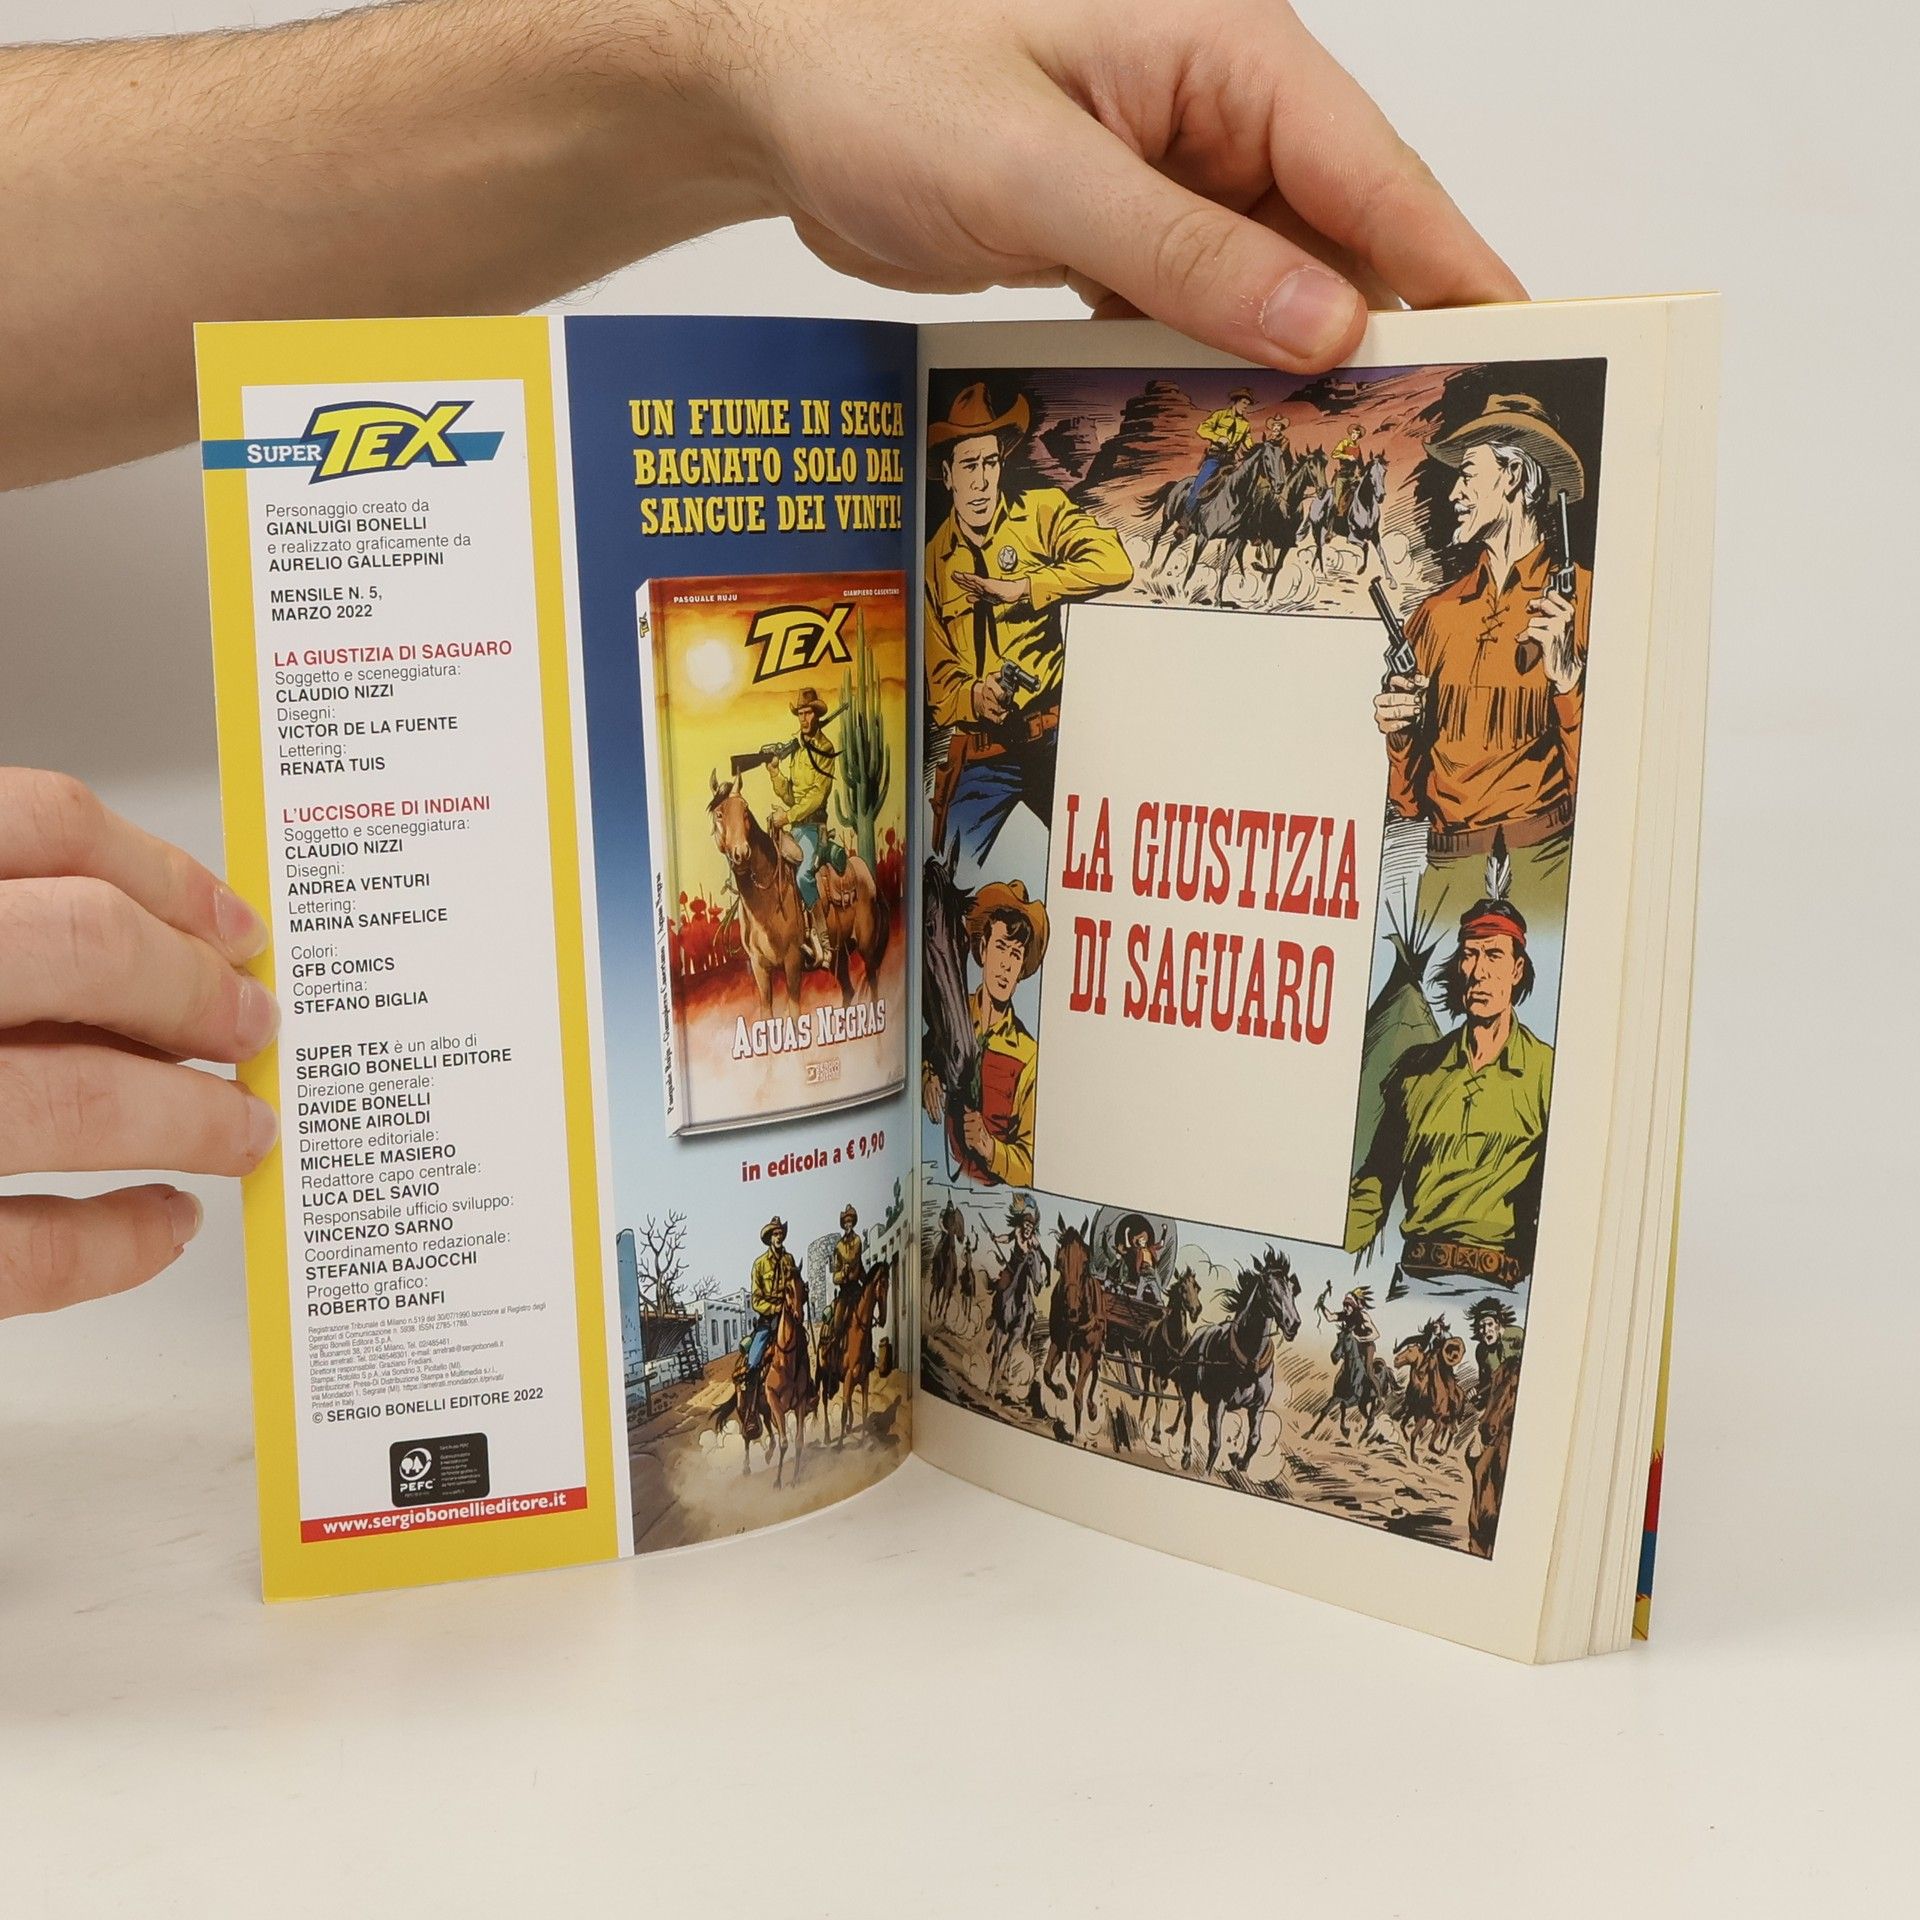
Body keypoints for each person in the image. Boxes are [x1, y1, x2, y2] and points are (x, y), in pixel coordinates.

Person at [0, 0, 1522, 1317]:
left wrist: (752, 60)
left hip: (1036, 733)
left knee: (1080, 847)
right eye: (962, 475)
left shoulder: (1033, 528)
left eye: (980, 469)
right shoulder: (890, 620)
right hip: (966, 757)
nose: (968, 488)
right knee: (884, 878)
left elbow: (1106, 568)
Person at [1370, 392, 1591, 940]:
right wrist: (1400, 732)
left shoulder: (1586, 600)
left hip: (1548, 860)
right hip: (1449, 866)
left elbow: (1611, 786)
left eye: (1469, 473)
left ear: (1514, 477)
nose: (1455, 493)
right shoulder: (1434, 615)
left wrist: (1568, 683)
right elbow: (1407, 800)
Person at [924, 384, 1133, 862]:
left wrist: (1025, 588)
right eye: (968, 466)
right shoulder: (933, 560)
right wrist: (975, 696)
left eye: (990, 463)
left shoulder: (1042, 512)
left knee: (1095, 859)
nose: (981, 482)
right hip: (983, 755)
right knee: (947, 874)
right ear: (947, 475)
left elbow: (1114, 563)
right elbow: (940, 688)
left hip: (1054, 743)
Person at [1345, 872, 1554, 1294]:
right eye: (1470, 955)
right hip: (1415, 1279)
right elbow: (1375, 1186)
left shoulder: (1546, 1074)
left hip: (1504, 1290)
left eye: (1493, 955)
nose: (1478, 972)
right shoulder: (1417, 1070)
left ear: (1517, 969)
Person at [920, 880, 1047, 1187]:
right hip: (937, 1178)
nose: (1006, 965)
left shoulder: (1029, 1056)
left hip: (990, 1197)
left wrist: (990, 1148)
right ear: (983, 949)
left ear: (1022, 970)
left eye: (1016, 955)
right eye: (1001, 947)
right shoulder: (954, 1011)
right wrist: (927, 1077)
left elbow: (1032, 1165)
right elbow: (924, 1051)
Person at [762, 686, 843, 960]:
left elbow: (818, 796)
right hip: (796, 828)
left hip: (813, 828)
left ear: (816, 715)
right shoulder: (796, 751)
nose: (804, 718)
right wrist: (775, 774)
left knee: (803, 877)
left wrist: (787, 816)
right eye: (800, 713)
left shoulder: (825, 749)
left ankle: (824, 940)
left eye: (808, 713)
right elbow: (790, 795)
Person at [740, 1216, 800, 1410]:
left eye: (780, 1233)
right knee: (754, 1358)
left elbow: (795, 1286)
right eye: (775, 1234)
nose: (778, 1236)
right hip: (768, 1319)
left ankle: (809, 1392)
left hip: (788, 1317)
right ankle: (752, 1407)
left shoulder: (789, 1259)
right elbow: (756, 1300)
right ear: (769, 1238)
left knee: (803, 1347)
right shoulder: (759, 1264)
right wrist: (775, 1308)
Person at [1187, 386, 1256, 506]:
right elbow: (1202, 429)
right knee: (1199, 486)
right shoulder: (1220, 415)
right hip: (1215, 457)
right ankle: (1187, 514)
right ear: (1236, 401)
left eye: (1248, 404)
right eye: (1244, 402)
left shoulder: (1245, 424)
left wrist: (1257, 449)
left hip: (1230, 461)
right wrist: (1218, 438)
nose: (1246, 406)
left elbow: (1248, 442)